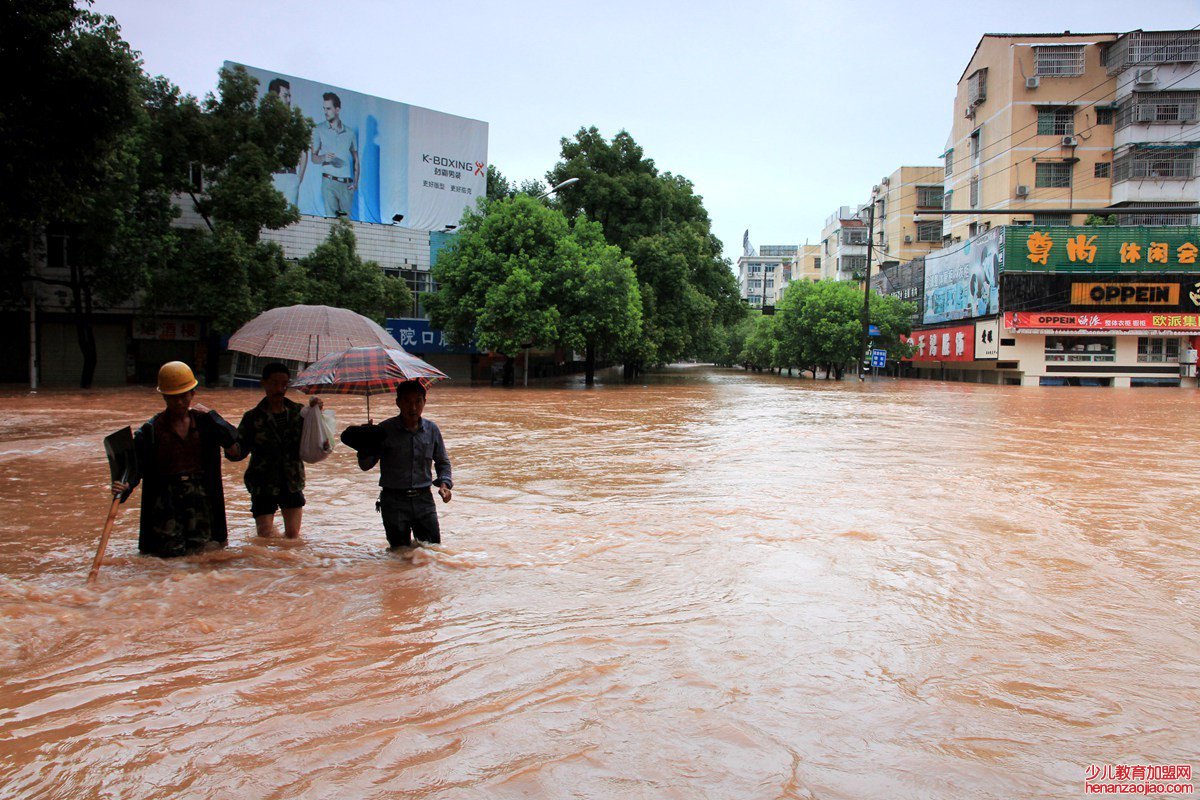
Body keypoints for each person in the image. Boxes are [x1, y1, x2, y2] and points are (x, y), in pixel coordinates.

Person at [111, 361, 238, 558]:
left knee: (204, 556)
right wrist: (124, 486)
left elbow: (237, 447)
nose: (179, 402)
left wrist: (214, 416)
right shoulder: (151, 431)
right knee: (168, 558)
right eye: (172, 398)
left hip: (201, 499)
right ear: (164, 397)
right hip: (165, 502)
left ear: (193, 394)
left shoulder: (206, 423)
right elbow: (136, 468)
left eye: (183, 396)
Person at [340, 381, 452, 549]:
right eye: (407, 401)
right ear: (398, 402)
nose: (413, 407)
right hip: (393, 502)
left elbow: (442, 462)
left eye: (418, 401)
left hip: (424, 500)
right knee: (398, 554)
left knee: (433, 552)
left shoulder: (432, 429)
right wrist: (366, 441)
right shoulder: (383, 430)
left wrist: (445, 484)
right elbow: (366, 465)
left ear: (424, 402)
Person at [226, 363, 323, 540]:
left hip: (291, 481)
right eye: (274, 383)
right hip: (262, 483)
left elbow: (315, 442)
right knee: (264, 537)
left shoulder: (299, 413)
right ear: (263, 383)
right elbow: (239, 451)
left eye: (284, 384)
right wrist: (229, 447)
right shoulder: (252, 417)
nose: (280, 389)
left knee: (293, 538)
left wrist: (316, 413)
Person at [310, 91, 358, 218]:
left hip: (346, 183)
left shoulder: (350, 132)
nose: (326, 112)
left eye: (329, 108)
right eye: (324, 109)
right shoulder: (318, 129)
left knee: (345, 220)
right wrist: (324, 157)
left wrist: (356, 182)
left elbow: (356, 159)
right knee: (331, 220)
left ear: (337, 109)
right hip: (329, 181)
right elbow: (313, 158)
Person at [266, 78, 307, 207]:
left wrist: (298, 179)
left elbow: (304, 151)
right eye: (285, 96)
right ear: (275, 97)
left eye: (289, 96)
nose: (288, 100)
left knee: (290, 220)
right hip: (273, 176)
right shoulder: (265, 123)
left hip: (290, 175)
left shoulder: (294, 124)